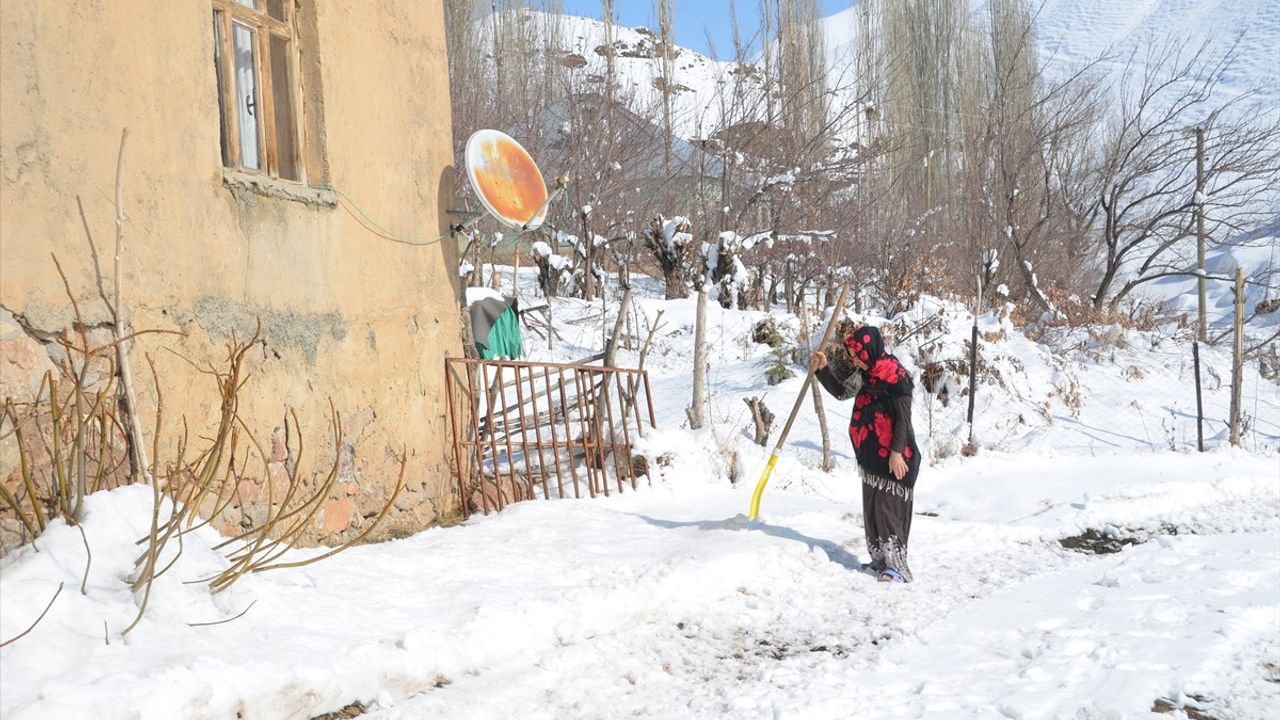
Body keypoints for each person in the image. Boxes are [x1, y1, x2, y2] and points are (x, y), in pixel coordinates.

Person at [811, 325, 921, 583]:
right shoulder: (866, 373)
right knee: (872, 511)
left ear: (869, 350)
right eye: (851, 355)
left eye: (856, 354)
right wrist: (822, 368)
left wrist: (896, 454)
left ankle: (896, 568)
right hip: (871, 455)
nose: (853, 359)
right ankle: (880, 561)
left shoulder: (895, 376)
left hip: (895, 458)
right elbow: (841, 392)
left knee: (888, 511)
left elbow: (903, 419)